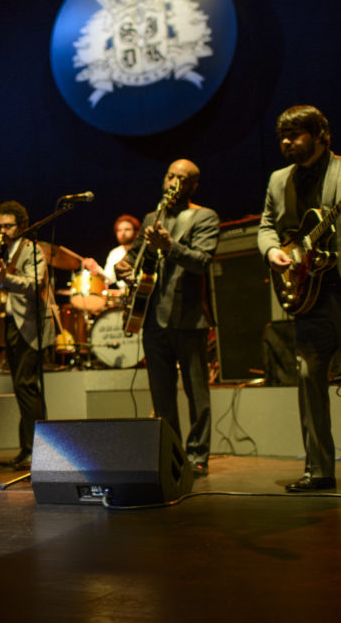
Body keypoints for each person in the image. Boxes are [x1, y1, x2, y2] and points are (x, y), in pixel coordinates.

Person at [257, 105, 341, 494]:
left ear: (320, 135)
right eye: (283, 135)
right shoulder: (279, 180)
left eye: (295, 134)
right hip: (308, 295)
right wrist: (272, 253)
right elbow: (266, 226)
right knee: (308, 378)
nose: (286, 142)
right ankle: (318, 470)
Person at [116, 159, 219, 477]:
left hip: (188, 317)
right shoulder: (151, 217)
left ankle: (197, 454)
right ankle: (172, 452)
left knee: (196, 391)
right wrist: (124, 268)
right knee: (162, 395)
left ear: (192, 186)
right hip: (152, 318)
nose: (173, 182)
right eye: (170, 176)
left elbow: (202, 262)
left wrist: (170, 246)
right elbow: (133, 257)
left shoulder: (204, 217)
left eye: (181, 178)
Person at [0, 200, 56, 469]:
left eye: (9, 226)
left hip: (31, 326)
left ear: (23, 226)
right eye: (0, 226)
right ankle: (28, 448)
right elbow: (4, 286)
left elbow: (35, 283)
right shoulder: (6, 249)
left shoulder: (32, 249)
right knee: (22, 387)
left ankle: (36, 449)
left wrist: (5, 280)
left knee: (27, 387)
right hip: (13, 324)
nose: (3, 231)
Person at [83, 214, 141, 288]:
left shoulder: (141, 250)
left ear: (136, 232)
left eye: (127, 229)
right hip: (125, 295)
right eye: (119, 230)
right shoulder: (115, 253)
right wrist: (96, 268)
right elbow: (109, 280)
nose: (123, 233)